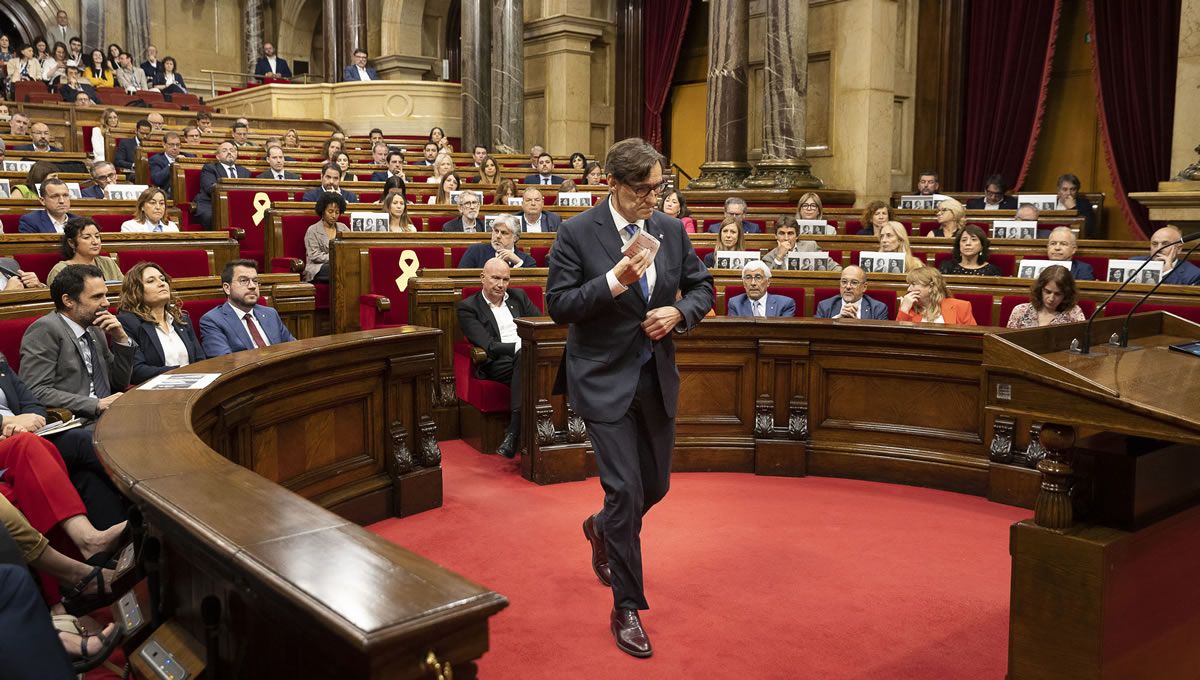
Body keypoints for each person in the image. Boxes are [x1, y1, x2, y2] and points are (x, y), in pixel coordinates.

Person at [545, 137, 712, 659]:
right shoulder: (575, 233)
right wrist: (614, 281)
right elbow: (559, 305)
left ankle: (601, 529)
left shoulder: (668, 229)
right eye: (644, 190)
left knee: (654, 487)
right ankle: (627, 606)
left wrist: (679, 314)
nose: (654, 199)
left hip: (654, 377)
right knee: (623, 490)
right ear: (611, 184)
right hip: (600, 379)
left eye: (660, 188)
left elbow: (703, 287)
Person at [19, 264, 135, 421]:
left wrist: (121, 339)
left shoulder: (95, 327)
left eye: (105, 295)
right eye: (97, 297)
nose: (106, 303)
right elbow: (36, 390)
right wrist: (95, 404)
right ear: (68, 301)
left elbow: (119, 383)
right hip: (75, 420)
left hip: (109, 415)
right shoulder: (46, 329)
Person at [456, 258, 541, 457]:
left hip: (527, 357)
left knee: (531, 361)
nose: (501, 284)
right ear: (482, 278)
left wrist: (528, 347)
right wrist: (521, 346)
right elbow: (489, 346)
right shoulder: (468, 307)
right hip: (497, 363)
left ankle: (514, 433)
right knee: (527, 360)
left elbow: (540, 326)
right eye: (495, 278)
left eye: (505, 279)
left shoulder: (518, 297)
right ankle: (519, 433)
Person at [115, 262, 206, 384]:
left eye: (162, 279)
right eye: (151, 281)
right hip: (157, 392)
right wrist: (182, 373)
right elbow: (136, 371)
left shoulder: (182, 319)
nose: (161, 283)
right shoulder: (128, 322)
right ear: (136, 291)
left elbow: (200, 359)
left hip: (195, 385)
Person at [199, 260, 297, 357]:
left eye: (255, 281)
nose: (252, 286)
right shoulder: (213, 320)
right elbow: (224, 362)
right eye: (244, 281)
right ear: (227, 288)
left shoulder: (270, 313)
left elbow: (293, 348)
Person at [46, 217, 123, 285]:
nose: (95, 242)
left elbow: (125, 290)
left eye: (97, 236)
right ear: (71, 243)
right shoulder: (60, 270)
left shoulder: (108, 262)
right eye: (86, 237)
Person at [192, 140, 252, 228]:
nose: (229, 152)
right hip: (211, 204)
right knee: (214, 217)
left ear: (236, 154)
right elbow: (210, 188)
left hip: (238, 205)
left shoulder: (245, 172)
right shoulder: (210, 168)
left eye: (232, 150)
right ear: (218, 157)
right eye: (224, 151)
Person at [1006, 265, 1086, 328]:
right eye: (1047, 292)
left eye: (1058, 294)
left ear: (1066, 294)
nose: (1051, 298)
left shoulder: (1074, 314)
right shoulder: (1020, 311)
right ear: (1040, 289)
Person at [896, 267, 976, 325]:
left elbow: (972, 338)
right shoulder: (908, 307)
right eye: (909, 285)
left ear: (931, 287)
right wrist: (904, 309)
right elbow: (898, 338)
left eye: (913, 284)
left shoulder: (961, 306)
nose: (909, 289)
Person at [1131, 225, 1200, 285]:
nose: (1158, 248)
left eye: (1165, 244)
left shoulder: (1194, 275)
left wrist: (1168, 271)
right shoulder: (1134, 263)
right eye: (1155, 244)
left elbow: (1179, 298)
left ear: (1178, 249)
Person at [814, 265, 891, 320]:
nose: (848, 287)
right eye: (844, 282)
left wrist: (857, 324)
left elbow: (881, 338)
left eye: (854, 282)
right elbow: (816, 333)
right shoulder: (825, 306)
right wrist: (836, 320)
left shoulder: (878, 309)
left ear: (864, 287)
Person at [458, 216, 536, 268]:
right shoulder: (475, 251)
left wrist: (518, 262)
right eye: (496, 231)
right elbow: (461, 279)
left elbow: (531, 285)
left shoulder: (527, 261)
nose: (498, 236)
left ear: (515, 238)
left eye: (504, 233)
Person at [303, 192, 348, 283]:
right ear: (323, 211)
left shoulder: (343, 228)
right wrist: (337, 258)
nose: (334, 216)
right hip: (317, 267)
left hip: (341, 264)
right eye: (330, 212)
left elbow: (351, 248)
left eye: (337, 212)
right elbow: (315, 256)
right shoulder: (313, 230)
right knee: (337, 268)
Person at [726, 261, 795, 317]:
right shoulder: (735, 303)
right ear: (743, 283)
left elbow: (784, 332)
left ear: (768, 282)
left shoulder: (785, 304)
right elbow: (735, 332)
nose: (753, 283)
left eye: (758, 277)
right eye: (748, 278)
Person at [761, 216, 827, 270]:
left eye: (790, 233)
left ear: (797, 236)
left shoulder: (811, 246)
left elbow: (834, 267)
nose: (786, 238)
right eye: (782, 233)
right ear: (776, 236)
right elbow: (768, 280)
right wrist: (779, 256)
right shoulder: (768, 258)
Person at [147, 131, 192, 198]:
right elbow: (157, 180)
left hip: (188, 190)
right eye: (171, 145)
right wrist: (173, 164)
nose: (175, 148)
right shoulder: (156, 159)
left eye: (177, 145)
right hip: (167, 194)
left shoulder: (189, 156)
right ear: (164, 144)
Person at [1055, 173, 1097, 239]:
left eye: (1072, 189)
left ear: (1077, 191)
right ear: (1058, 190)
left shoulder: (1085, 204)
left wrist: (1073, 208)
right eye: (1065, 189)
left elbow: (1089, 229)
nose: (1069, 193)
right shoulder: (1051, 203)